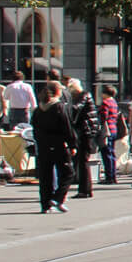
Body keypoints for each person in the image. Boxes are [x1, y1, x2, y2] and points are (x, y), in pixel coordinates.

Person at [30, 81, 77, 212]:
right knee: (68, 173)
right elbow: (67, 127)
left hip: (43, 145)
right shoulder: (59, 107)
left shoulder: (38, 109)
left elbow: (33, 127)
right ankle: (57, 198)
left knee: (45, 176)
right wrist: (73, 143)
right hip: (58, 144)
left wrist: (39, 141)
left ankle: (45, 204)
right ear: (57, 92)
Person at [66, 78, 99, 200]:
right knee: (83, 160)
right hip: (87, 130)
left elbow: (76, 108)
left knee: (83, 160)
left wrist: (66, 108)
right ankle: (86, 189)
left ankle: (84, 189)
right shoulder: (85, 95)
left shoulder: (83, 95)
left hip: (86, 131)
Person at [98, 89, 120, 185]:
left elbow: (103, 116)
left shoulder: (105, 103)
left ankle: (109, 176)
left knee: (106, 152)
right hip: (114, 128)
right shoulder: (114, 102)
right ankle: (113, 175)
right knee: (111, 152)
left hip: (106, 130)